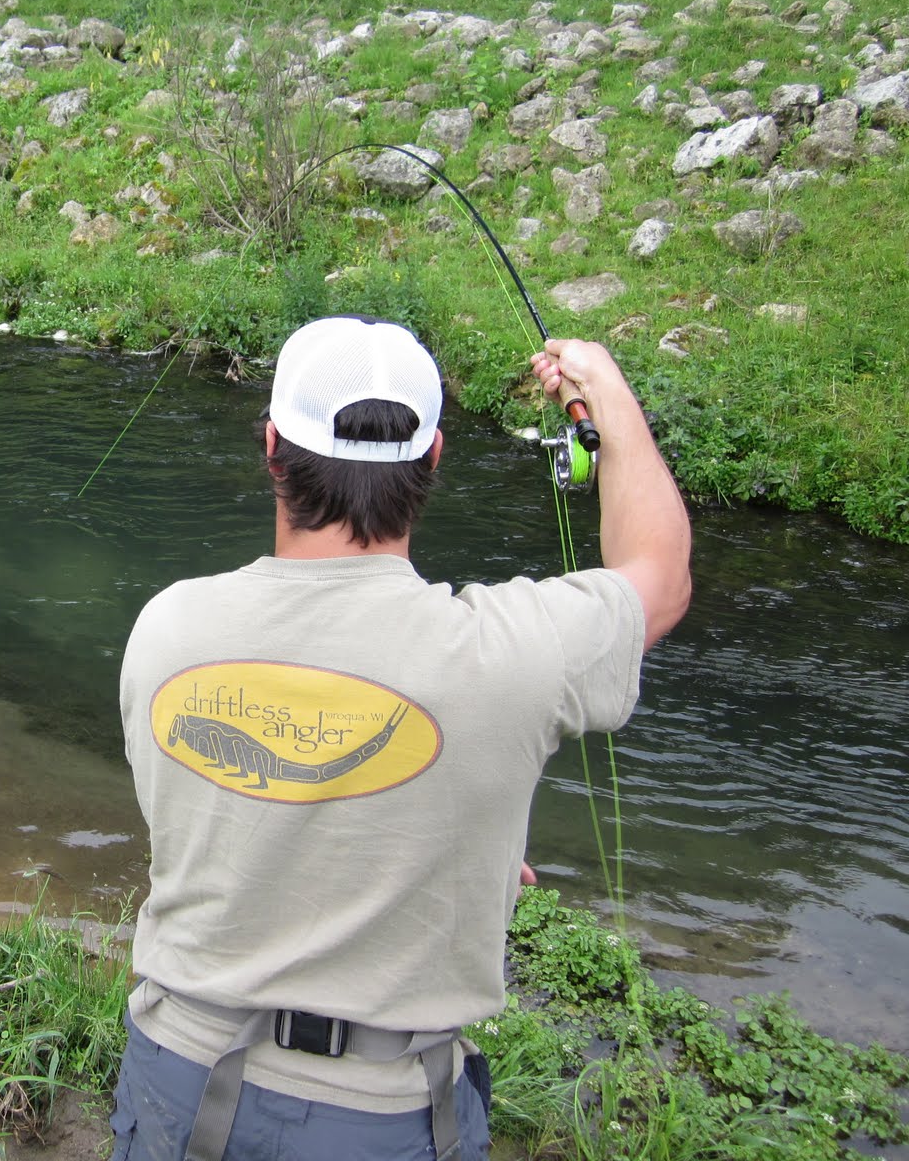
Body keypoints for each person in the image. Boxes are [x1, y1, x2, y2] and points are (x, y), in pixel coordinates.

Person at [111, 316, 691, 1161]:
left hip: (177, 1075)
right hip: (383, 1117)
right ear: (433, 460)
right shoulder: (508, 651)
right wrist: (604, 393)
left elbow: (205, 813)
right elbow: (660, 577)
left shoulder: (167, 627)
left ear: (273, 448)